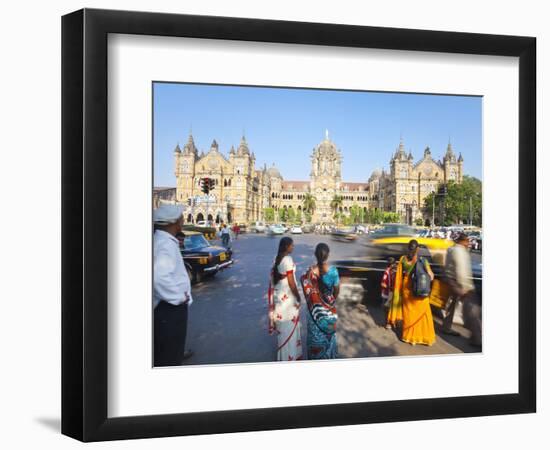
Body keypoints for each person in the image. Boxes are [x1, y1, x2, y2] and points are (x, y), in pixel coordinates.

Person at [153, 204, 194, 366]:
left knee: (167, 350)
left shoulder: (163, 240)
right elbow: (158, 277)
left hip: (167, 307)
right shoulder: (165, 244)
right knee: (170, 355)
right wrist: (179, 297)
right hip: (169, 309)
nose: (183, 219)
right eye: (181, 216)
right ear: (174, 222)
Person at [391, 239, 436, 346]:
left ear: (408, 248)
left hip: (407, 289)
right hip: (420, 290)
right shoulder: (422, 260)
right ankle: (425, 338)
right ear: (418, 249)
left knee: (409, 314)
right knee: (423, 315)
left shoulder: (403, 259)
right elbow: (431, 276)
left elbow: (399, 276)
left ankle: (410, 338)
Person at [300, 243, 340, 359]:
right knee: (330, 337)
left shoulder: (309, 272)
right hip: (329, 310)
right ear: (328, 255)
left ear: (315, 255)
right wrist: (329, 303)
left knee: (314, 337)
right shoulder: (333, 271)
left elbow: (306, 288)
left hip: (313, 313)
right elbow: (336, 291)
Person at [267, 237, 303, 361]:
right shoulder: (288, 259)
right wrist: (298, 297)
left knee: (283, 328)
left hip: (279, 297)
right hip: (287, 298)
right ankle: (290, 356)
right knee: (289, 326)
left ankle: (284, 355)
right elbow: (291, 282)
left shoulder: (276, 259)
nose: (293, 247)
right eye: (292, 245)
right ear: (286, 246)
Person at [443, 232, 482, 346]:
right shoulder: (459, 251)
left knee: (452, 306)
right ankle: (476, 338)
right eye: (467, 241)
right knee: (471, 312)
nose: (469, 243)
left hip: (452, 281)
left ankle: (446, 327)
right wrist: (465, 288)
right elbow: (461, 270)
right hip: (460, 284)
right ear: (462, 241)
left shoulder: (452, 249)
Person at [381, 257, 397, 329]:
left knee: (392, 308)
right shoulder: (387, 272)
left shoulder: (395, 271)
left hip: (392, 293)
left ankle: (391, 322)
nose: (395, 265)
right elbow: (383, 284)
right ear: (391, 264)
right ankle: (387, 323)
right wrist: (389, 288)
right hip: (387, 294)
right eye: (394, 264)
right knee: (387, 308)